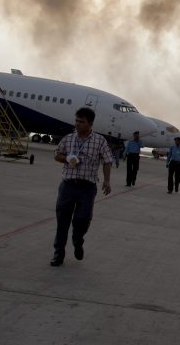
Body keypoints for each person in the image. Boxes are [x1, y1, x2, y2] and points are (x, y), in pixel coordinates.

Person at [51, 107, 113, 267]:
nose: (77, 124)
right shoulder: (68, 138)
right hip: (68, 185)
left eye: (81, 122)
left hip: (87, 187)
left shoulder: (100, 141)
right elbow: (57, 154)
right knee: (62, 220)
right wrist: (67, 159)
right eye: (76, 121)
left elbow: (107, 160)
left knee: (83, 219)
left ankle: (78, 240)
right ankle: (59, 253)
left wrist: (107, 180)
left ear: (90, 124)